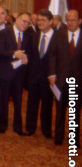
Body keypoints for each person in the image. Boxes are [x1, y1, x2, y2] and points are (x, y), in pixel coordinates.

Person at [48, 9, 82, 148]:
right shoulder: (59, 34)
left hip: (78, 81)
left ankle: (74, 139)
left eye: (73, 20)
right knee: (60, 110)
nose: (70, 22)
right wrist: (51, 74)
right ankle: (58, 137)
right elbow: (52, 55)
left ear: (79, 21)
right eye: (68, 19)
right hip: (60, 80)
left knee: (75, 111)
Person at [0, 12, 32, 136]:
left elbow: (30, 53)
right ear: (17, 19)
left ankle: (18, 126)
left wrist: (27, 58)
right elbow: (0, 51)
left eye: (28, 22)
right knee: (3, 100)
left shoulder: (28, 36)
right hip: (5, 72)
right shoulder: (4, 33)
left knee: (18, 101)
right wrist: (13, 53)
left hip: (20, 73)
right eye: (23, 21)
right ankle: (3, 124)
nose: (25, 24)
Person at [26, 9, 55, 138]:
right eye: (38, 20)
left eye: (43, 20)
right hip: (34, 77)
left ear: (50, 21)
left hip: (49, 78)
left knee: (47, 105)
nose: (40, 23)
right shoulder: (34, 36)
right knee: (31, 104)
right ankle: (30, 128)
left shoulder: (58, 37)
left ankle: (46, 130)